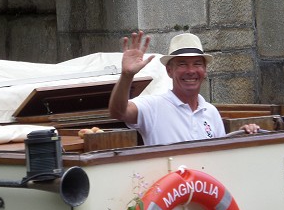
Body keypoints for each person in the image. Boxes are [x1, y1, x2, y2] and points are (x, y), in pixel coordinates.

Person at [109, 30, 260, 145]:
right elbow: (119, 111)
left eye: (197, 64)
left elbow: (219, 156)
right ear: (169, 71)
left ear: (205, 70)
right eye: (182, 64)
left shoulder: (211, 112)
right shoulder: (152, 106)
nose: (191, 71)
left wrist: (245, 134)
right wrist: (127, 75)